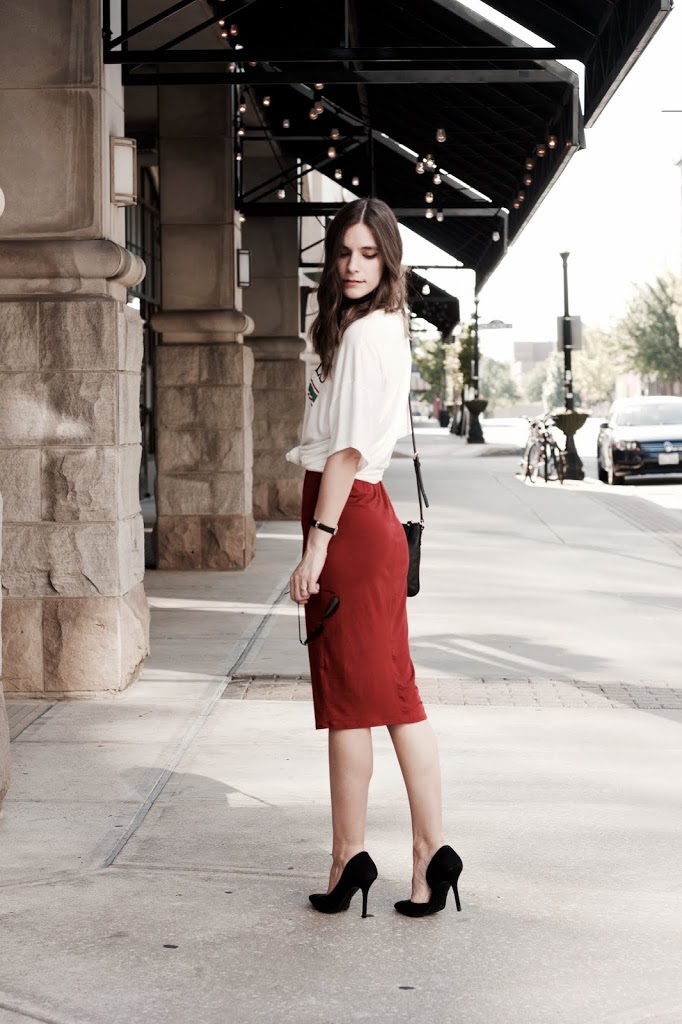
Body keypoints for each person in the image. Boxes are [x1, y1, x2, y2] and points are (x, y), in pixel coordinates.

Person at [286, 197, 463, 919]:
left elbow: (348, 451)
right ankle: (418, 853)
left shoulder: (365, 338)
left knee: (359, 702)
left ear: (390, 259)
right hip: (364, 517)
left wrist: (314, 547)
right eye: (344, 252)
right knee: (383, 699)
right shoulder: (376, 328)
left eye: (368, 254)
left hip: (350, 521)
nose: (354, 266)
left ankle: (361, 857)